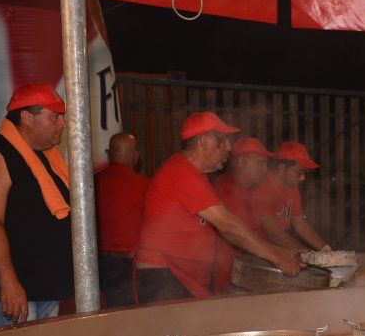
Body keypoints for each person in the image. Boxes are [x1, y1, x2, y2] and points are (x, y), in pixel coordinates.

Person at [133, 112, 300, 302]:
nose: (229, 148)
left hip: (182, 278)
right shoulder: (181, 173)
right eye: (223, 141)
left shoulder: (196, 175)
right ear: (205, 142)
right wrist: (277, 258)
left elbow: (230, 220)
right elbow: (229, 227)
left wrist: (277, 251)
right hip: (164, 276)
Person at [0, 84, 73, 327]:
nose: (63, 123)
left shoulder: (45, 157)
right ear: (26, 117)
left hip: (44, 288)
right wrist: (8, 282)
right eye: (55, 116)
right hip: (12, 293)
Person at [212, 137, 276, 293]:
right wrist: (279, 256)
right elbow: (247, 238)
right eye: (261, 163)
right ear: (244, 161)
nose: (265, 170)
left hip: (241, 277)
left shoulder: (243, 189)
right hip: (230, 281)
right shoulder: (229, 189)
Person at [94, 132, 147, 308]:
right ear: (136, 156)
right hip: (129, 266)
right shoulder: (144, 185)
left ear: (109, 154)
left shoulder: (91, 183)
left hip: (96, 265)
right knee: (129, 318)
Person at [253, 141, 331, 253]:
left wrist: (326, 250)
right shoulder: (263, 188)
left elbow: (299, 223)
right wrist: (305, 252)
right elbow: (272, 232)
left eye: (305, 173)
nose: (303, 178)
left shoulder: (291, 187)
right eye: (299, 172)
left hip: (280, 251)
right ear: (282, 168)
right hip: (260, 253)